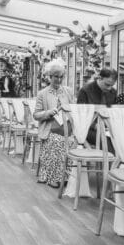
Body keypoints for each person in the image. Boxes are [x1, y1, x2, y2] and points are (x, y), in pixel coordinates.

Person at [33, 59, 74, 188]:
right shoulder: (42, 94)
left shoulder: (68, 91)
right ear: (49, 77)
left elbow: (74, 109)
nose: (59, 80)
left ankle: (66, 176)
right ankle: (53, 177)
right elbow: (36, 115)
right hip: (50, 129)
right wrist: (48, 113)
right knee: (57, 141)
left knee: (72, 142)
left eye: (61, 77)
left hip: (67, 129)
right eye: (56, 77)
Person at [76, 67, 118, 147]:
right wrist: (95, 126)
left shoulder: (113, 92)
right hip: (88, 128)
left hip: (107, 128)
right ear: (99, 78)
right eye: (107, 85)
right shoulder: (85, 91)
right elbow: (80, 116)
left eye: (112, 85)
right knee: (106, 141)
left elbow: (114, 113)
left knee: (122, 138)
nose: (109, 88)